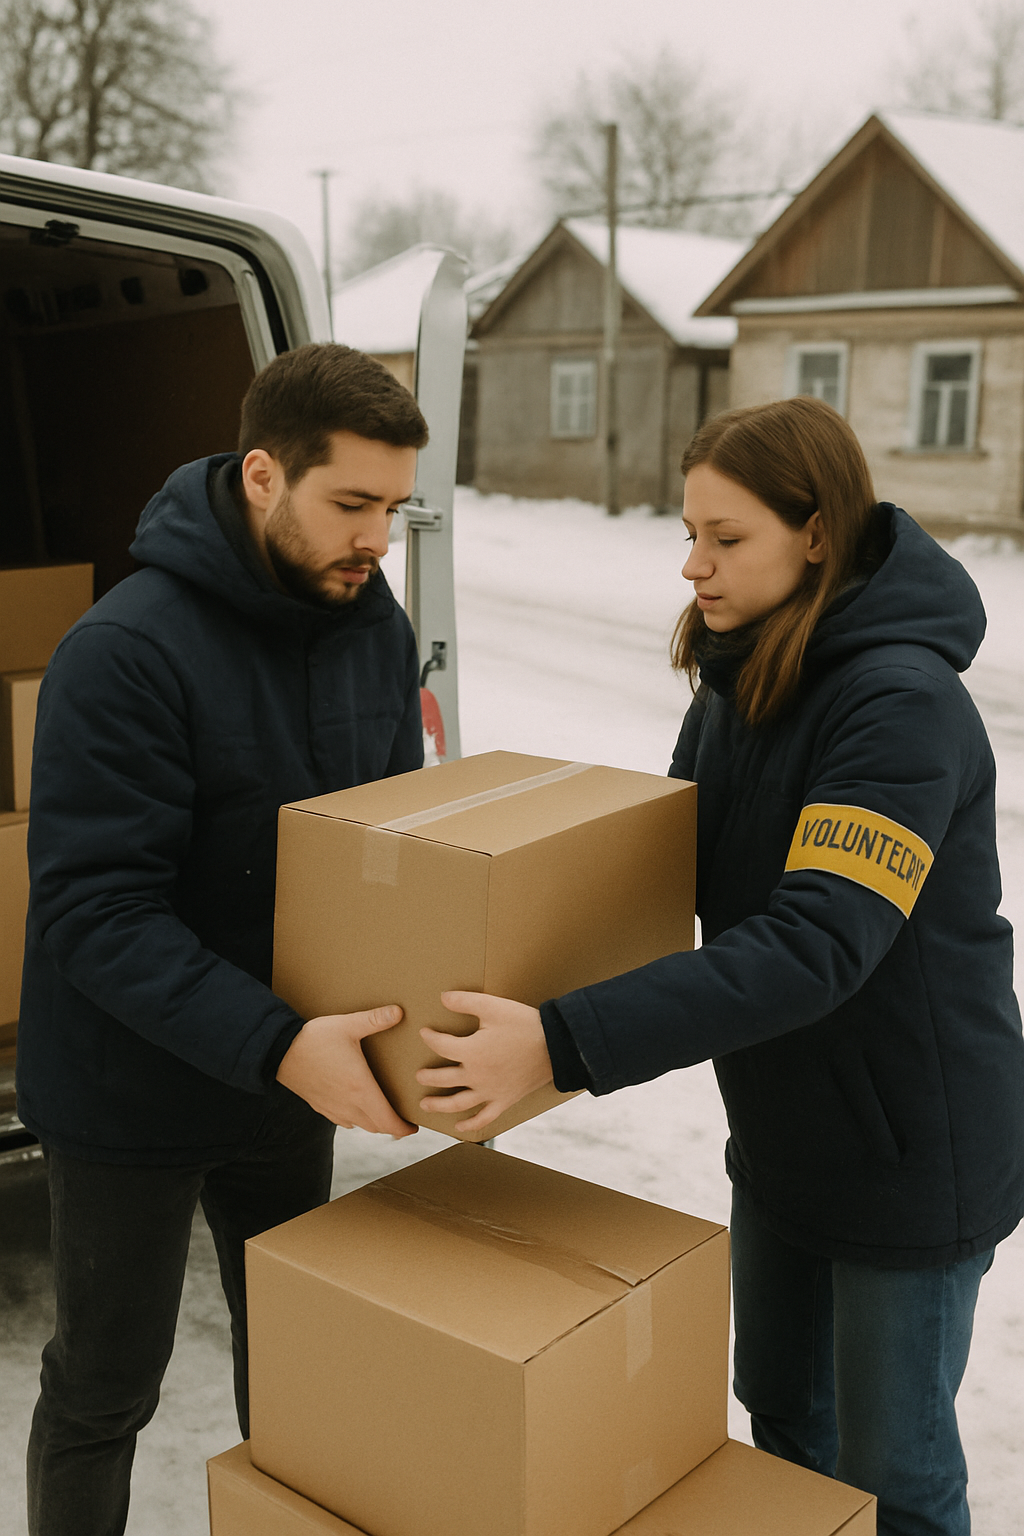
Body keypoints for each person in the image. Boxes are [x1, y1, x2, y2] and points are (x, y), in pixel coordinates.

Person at [416, 396, 1024, 1536]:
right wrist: (467, 929)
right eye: (686, 533)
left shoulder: (899, 706)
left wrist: (557, 1043)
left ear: (816, 535)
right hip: (789, 1132)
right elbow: (657, 868)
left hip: (909, 1151)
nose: (692, 566)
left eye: (724, 538)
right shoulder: (741, 684)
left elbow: (816, 944)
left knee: (896, 1474)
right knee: (783, 1415)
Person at [18, 343, 424, 1536]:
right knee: (104, 1387)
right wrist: (280, 1042)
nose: (377, 540)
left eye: (395, 510)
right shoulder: (125, 651)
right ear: (261, 476)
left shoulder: (369, 623)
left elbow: (388, 843)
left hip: (293, 1080)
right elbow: (97, 912)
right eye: (351, 504)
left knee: (296, 1372)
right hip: (129, 1095)